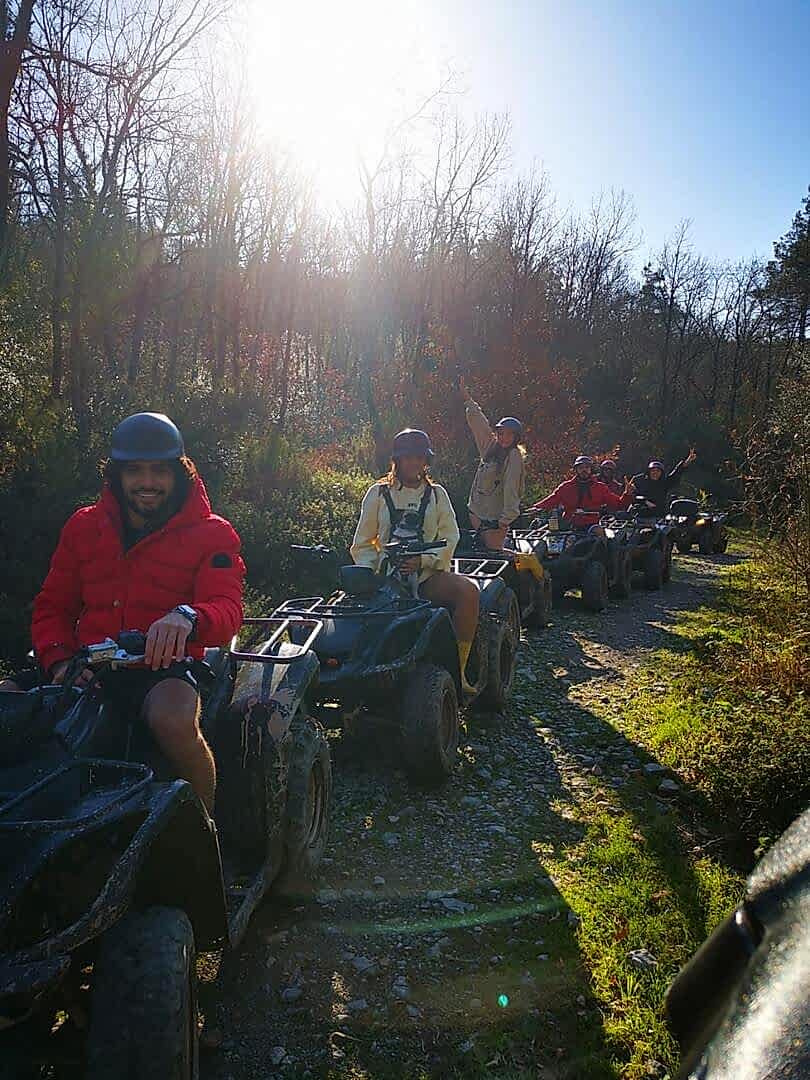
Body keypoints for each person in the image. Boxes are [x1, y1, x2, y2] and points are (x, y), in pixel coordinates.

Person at [1, 412, 244, 812]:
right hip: (86, 663)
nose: (147, 482)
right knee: (6, 704)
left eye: (159, 471)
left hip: (161, 668)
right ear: (116, 475)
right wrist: (60, 660)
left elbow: (228, 608)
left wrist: (188, 617)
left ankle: (206, 826)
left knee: (173, 721)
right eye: (135, 471)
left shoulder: (213, 533)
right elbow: (52, 606)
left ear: (180, 473)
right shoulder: (84, 526)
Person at [351, 428, 480, 695]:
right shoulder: (377, 494)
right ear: (397, 460)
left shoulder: (437, 495)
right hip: (385, 580)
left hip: (427, 577)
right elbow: (362, 543)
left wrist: (424, 561)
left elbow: (449, 536)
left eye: (419, 457)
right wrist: (380, 569)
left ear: (426, 461)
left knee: (469, 592)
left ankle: (460, 672)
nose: (413, 462)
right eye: (407, 457)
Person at [460, 377, 525, 550]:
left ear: (516, 437)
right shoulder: (491, 448)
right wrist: (468, 400)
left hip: (495, 520)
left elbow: (512, 488)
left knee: (494, 556)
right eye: (501, 434)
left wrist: (506, 519)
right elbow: (480, 425)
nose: (504, 438)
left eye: (509, 435)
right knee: (476, 552)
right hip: (476, 513)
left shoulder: (513, 456)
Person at [528, 455, 634, 521]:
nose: (584, 470)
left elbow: (619, 504)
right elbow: (552, 500)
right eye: (581, 467)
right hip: (569, 524)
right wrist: (536, 508)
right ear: (576, 470)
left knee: (602, 537)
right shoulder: (566, 487)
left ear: (591, 470)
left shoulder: (600, 487)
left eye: (587, 467)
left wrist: (627, 494)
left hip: (591, 525)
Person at [631, 449, 697, 515]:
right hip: (640, 515)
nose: (655, 473)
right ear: (649, 472)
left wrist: (687, 461)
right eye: (653, 470)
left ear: (661, 473)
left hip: (659, 515)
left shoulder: (664, 483)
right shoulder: (641, 481)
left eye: (658, 471)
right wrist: (645, 502)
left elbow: (677, 472)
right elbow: (634, 496)